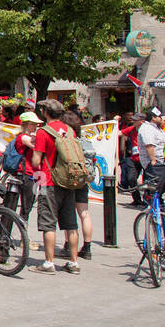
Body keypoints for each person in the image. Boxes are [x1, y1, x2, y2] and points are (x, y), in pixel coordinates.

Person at [32, 99, 82, 274]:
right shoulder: (69, 131)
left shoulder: (43, 132)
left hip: (48, 180)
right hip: (69, 180)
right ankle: (74, 262)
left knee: (48, 223)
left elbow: (36, 160)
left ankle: (48, 262)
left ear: (45, 112)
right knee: (71, 224)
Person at [61, 110, 95, 261]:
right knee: (84, 213)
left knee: (68, 213)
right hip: (84, 179)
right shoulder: (85, 141)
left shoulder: (68, 141)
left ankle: (69, 244)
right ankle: (87, 247)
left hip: (70, 180)